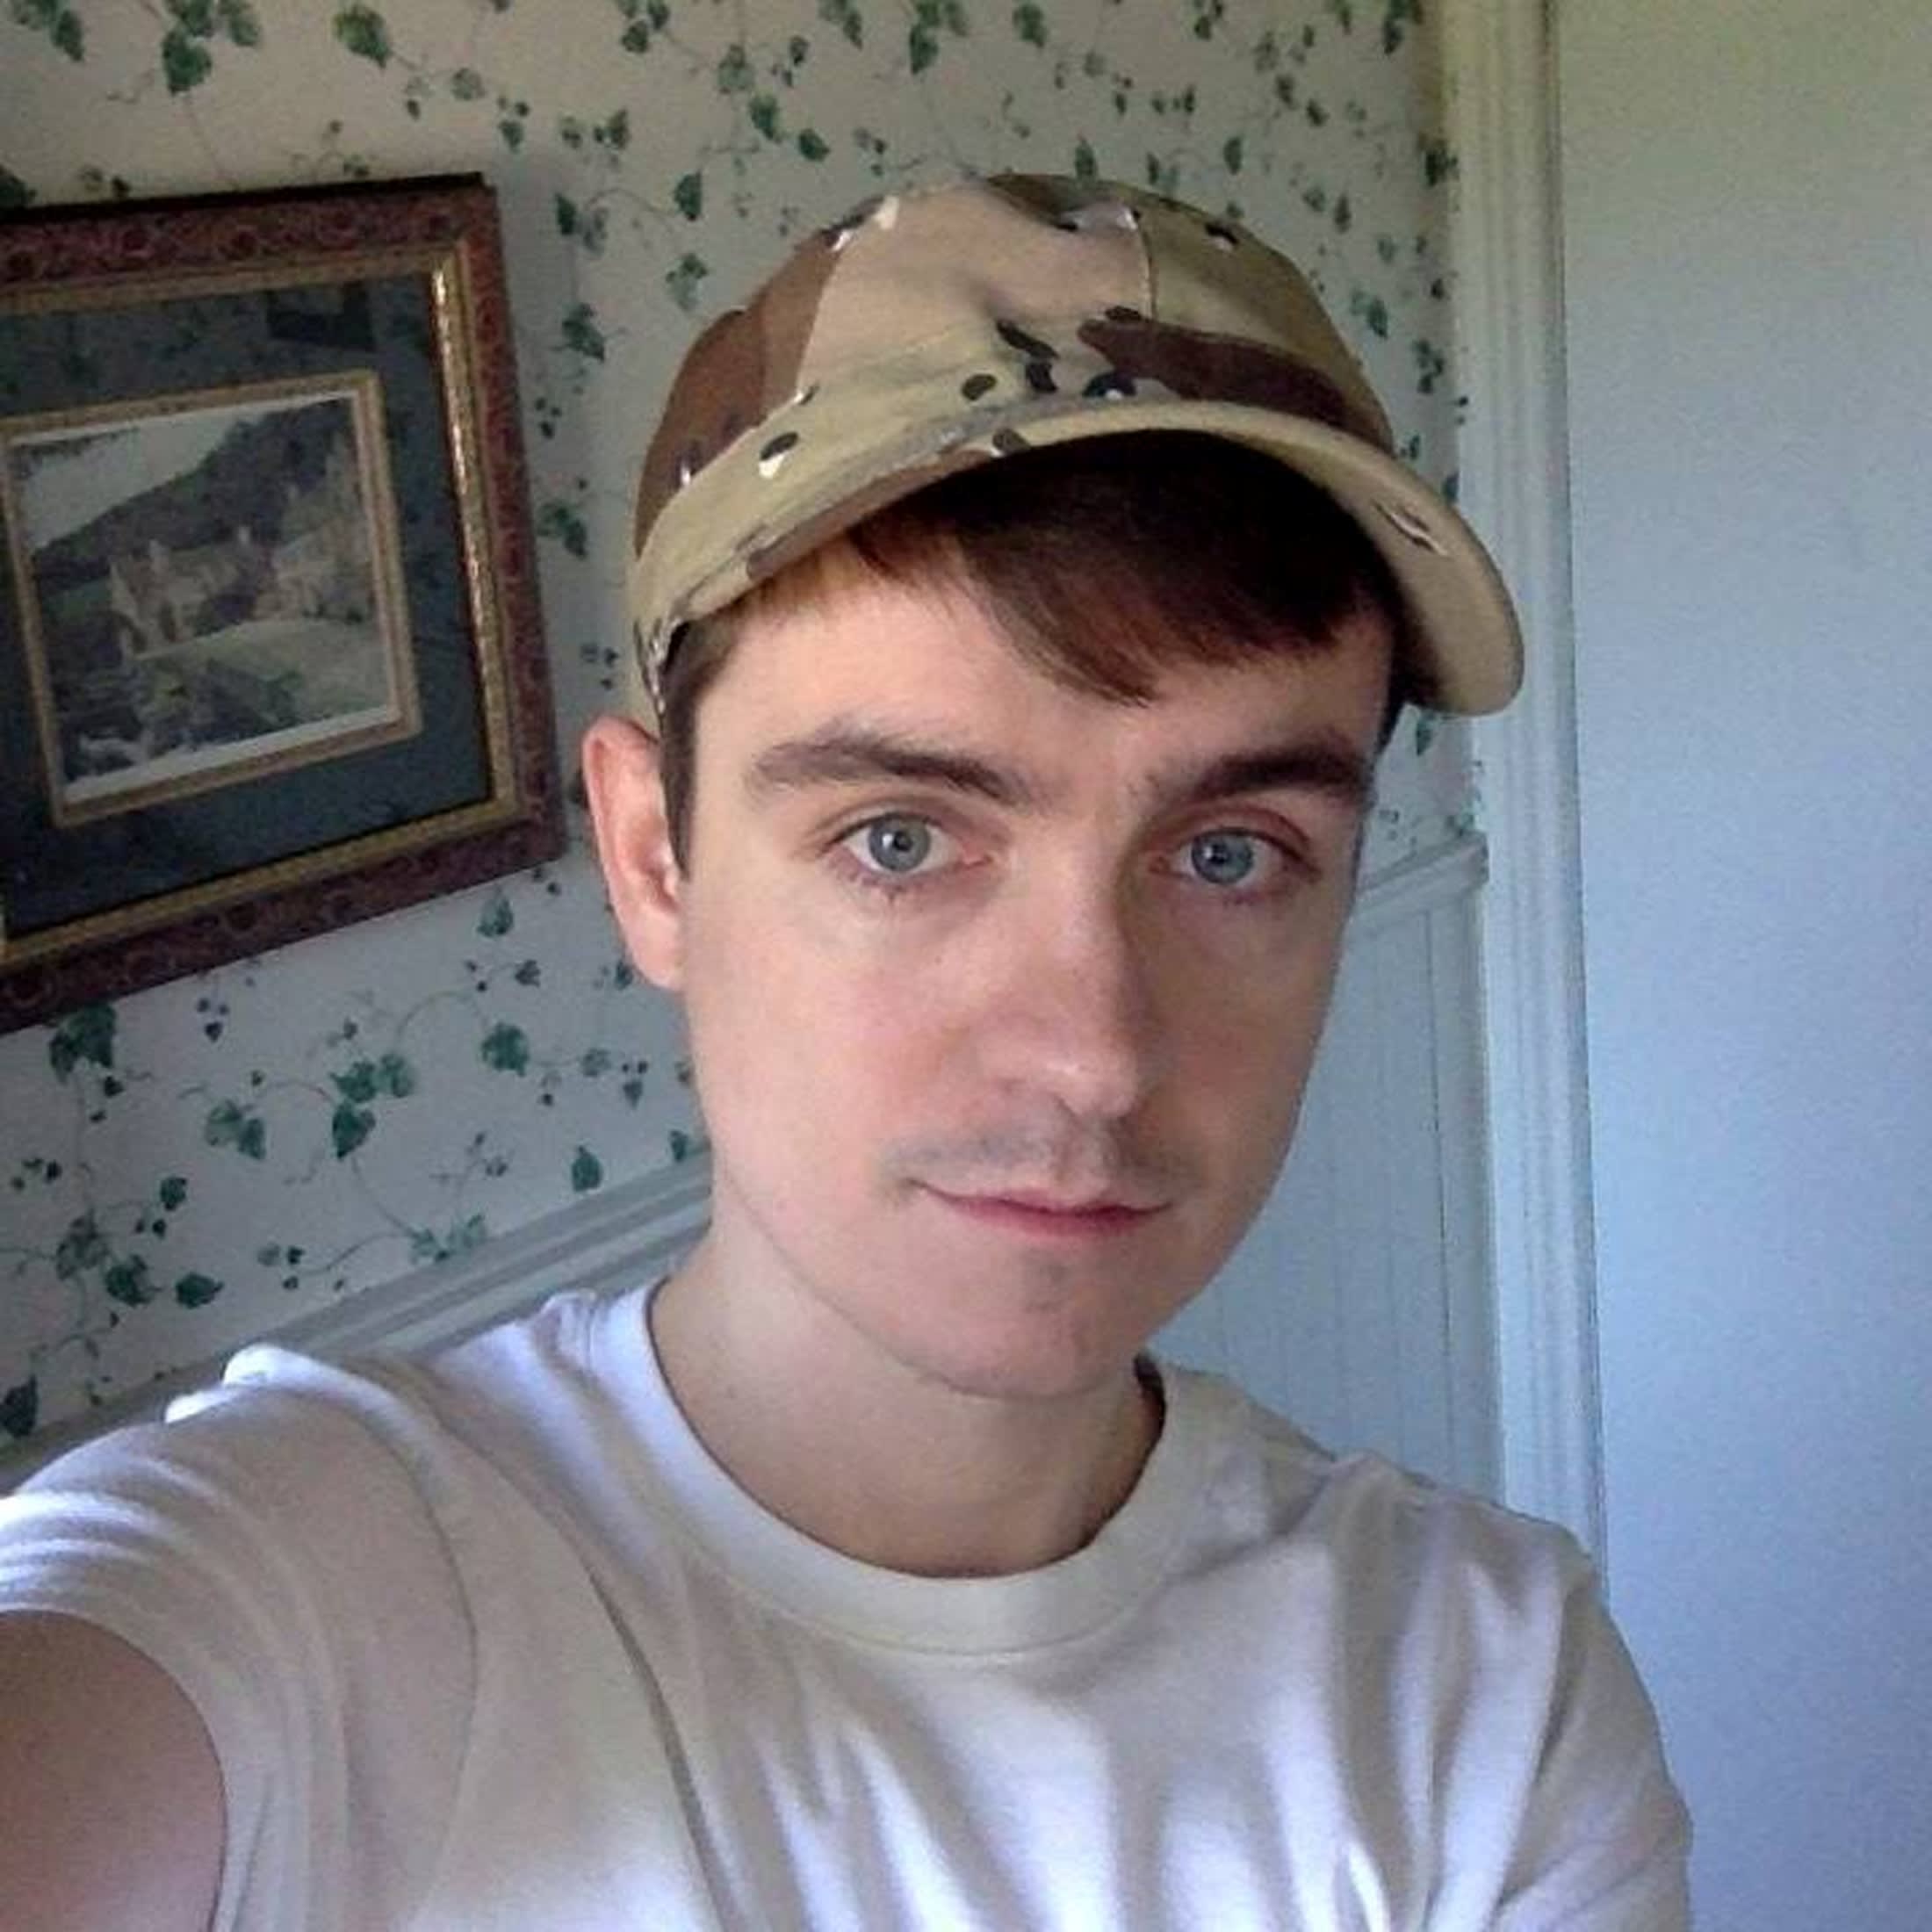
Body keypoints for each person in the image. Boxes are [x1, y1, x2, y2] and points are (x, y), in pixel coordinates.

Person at [0, 175, 1689, 1929]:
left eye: (1227, 854)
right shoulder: (300, 1587)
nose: (1093, 1054)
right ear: (654, 861)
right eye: (900, 838)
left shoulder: (1474, 1696)